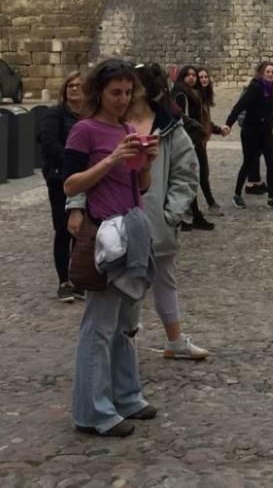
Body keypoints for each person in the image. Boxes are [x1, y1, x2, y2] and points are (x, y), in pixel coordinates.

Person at [63, 59, 159, 437]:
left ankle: (126, 395)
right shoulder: (83, 131)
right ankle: (93, 411)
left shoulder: (127, 129)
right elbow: (70, 185)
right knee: (99, 326)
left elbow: (141, 186)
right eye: (115, 92)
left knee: (126, 325)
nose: (122, 99)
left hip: (132, 231)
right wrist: (112, 158)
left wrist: (145, 163)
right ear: (99, 92)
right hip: (106, 234)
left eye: (127, 92)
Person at [122, 64, 209, 360]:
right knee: (126, 286)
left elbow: (186, 172)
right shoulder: (112, 124)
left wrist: (172, 212)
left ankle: (175, 341)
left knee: (164, 281)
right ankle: (124, 347)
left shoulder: (170, 127)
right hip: (119, 221)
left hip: (158, 220)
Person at [39, 71, 84, 302]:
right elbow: (49, 144)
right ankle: (63, 281)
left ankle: (77, 278)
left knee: (81, 231)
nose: (74, 89)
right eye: (70, 85)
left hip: (85, 179)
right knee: (63, 229)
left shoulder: (88, 116)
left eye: (78, 85)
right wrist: (72, 165)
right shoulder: (54, 114)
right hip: (60, 179)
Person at [223, 61, 273, 210]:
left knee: (271, 163)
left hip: (266, 131)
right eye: (267, 72)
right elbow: (239, 106)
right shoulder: (255, 88)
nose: (270, 74)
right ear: (262, 73)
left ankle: (271, 198)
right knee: (248, 163)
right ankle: (237, 195)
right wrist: (228, 124)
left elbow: (270, 110)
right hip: (251, 132)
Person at [172, 65, 214, 231]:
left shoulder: (193, 93)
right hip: (191, 140)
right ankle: (192, 215)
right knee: (193, 176)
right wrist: (197, 129)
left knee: (196, 176)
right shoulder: (182, 94)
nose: (192, 78)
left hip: (196, 138)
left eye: (194, 75)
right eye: (188, 75)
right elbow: (183, 118)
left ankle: (190, 216)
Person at [195, 67, 224, 217]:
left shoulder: (203, 97)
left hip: (201, 141)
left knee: (201, 174)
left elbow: (206, 122)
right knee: (201, 173)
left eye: (206, 76)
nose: (204, 79)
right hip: (195, 142)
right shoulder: (196, 98)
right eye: (201, 77)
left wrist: (218, 130)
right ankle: (210, 204)